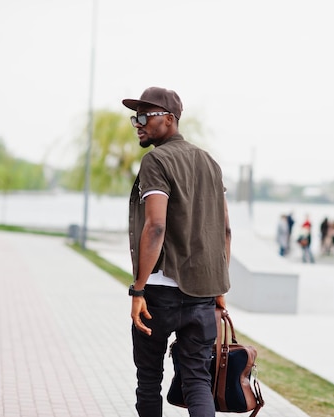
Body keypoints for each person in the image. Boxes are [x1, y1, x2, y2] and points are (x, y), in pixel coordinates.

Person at [122, 86, 231, 417]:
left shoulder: (156, 160)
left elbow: (155, 226)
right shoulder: (209, 162)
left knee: (149, 379)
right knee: (197, 380)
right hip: (202, 293)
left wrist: (138, 289)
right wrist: (220, 291)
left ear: (169, 119)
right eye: (134, 117)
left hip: (161, 294)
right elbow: (225, 230)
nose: (138, 123)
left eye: (145, 116)